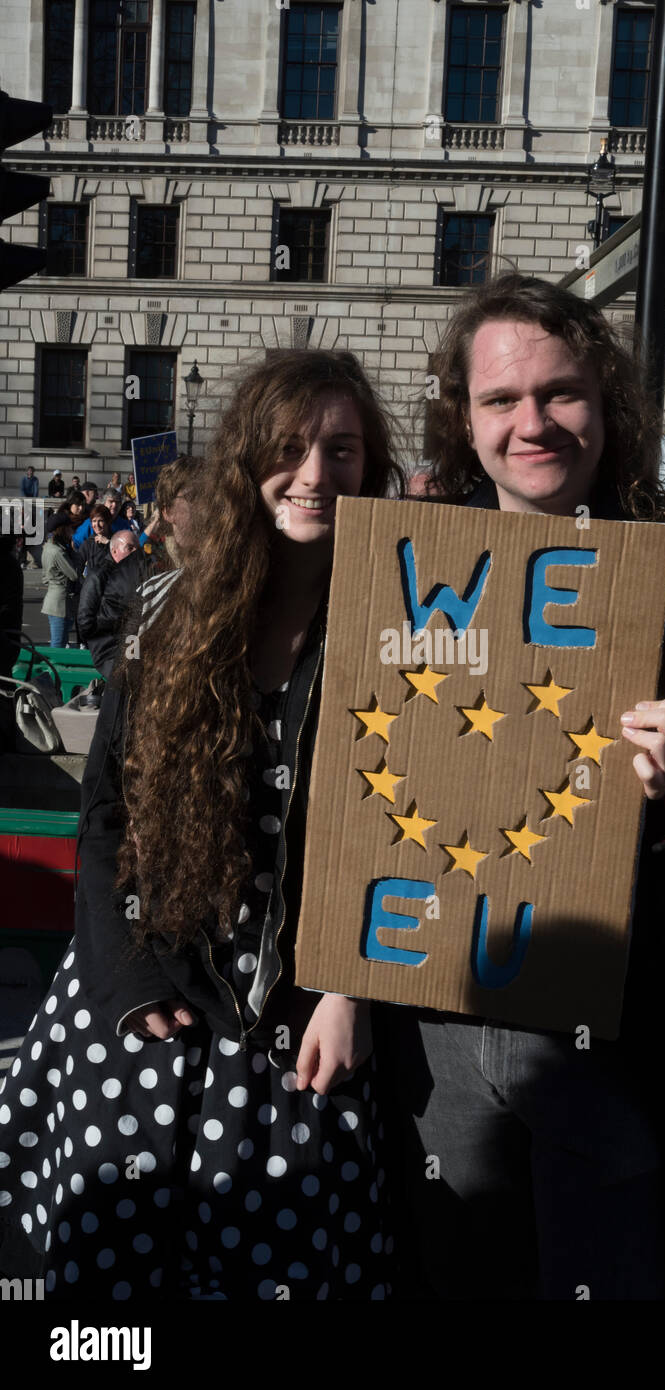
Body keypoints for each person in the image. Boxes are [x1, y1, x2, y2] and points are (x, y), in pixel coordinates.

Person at [378, 274, 665, 1302]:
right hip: (438, 1015)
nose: (534, 422)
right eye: (500, 400)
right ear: (464, 420)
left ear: (606, 403)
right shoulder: (402, 572)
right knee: (456, 1275)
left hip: (634, 1023)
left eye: (562, 393)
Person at [0, 349, 403, 1301]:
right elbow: (104, 814)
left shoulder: (410, 625)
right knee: (112, 1295)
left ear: (372, 469)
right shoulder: (164, 610)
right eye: (288, 446)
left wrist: (355, 985)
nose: (313, 474)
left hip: (303, 1024)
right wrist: (128, 979)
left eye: (341, 451)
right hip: (144, 1001)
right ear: (243, 461)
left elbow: (418, 830)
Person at [76, 530, 142, 676]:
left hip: (131, 648)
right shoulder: (98, 575)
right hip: (108, 652)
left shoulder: (135, 574)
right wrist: (101, 641)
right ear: (114, 550)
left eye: (138, 548)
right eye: (130, 548)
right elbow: (84, 619)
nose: (136, 552)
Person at [39, 511, 79, 647]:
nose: (72, 530)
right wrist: (74, 552)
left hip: (54, 598)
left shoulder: (48, 547)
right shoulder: (58, 551)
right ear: (62, 529)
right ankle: (52, 668)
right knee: (58, 643)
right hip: (60, 603)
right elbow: (74, 574)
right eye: (69, 527)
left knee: (60, 641)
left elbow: (44, 578)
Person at [75, 503, 114, 578]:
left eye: (101, 521)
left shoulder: (117, 539)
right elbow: (78, 566)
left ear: (108, 521)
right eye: (94, 521)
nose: (97, 525)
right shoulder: (88, 543)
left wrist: (108, 543)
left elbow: (123, 562)